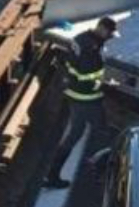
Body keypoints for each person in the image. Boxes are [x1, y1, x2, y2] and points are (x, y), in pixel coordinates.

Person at [44, 16, 118, 189]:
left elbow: (74, 67)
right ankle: (103, 171)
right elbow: (88, 76)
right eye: (109, 33)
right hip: (87, 98)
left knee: (74, 134)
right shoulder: (91, 49)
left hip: (74, 95)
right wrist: (108, 85)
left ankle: (52, 175)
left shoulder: (80, 38)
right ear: (101, 28)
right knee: (102, 132)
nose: (109, 37)